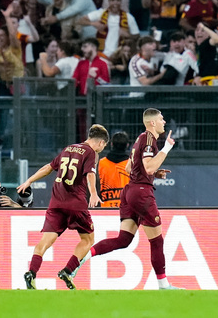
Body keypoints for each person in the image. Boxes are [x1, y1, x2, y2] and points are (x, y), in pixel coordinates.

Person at [71, 109, 182, 290]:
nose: (164, 122)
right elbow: (147, 166)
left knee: (123, 240)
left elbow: (131, 167)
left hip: (129, 191)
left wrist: (154, 173)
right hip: (141, 193)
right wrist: (167, 148)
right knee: (157, 240)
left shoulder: (140, 138)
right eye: (161, 119)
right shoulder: (149, 140)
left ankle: (82, 259)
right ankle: (163, 285)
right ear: (152, 122)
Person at [19, 124, 109, 290]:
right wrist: (94, 193)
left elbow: (48, 168)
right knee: (88, 239)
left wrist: (29, 180)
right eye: (103, 146)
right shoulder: (90, 152)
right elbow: (90, 173)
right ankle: (67, 271)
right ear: (101, 143)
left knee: (45, 241)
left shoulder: (68, 149)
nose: (101, 149)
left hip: (56, 203)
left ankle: (31, 272)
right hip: (76, 204)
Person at [98, 131, 130, 207]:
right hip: (126, 208)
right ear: (127, 145)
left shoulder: (101, 163)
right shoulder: (131, 164)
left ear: (111, 144)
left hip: (105, 208)